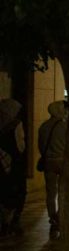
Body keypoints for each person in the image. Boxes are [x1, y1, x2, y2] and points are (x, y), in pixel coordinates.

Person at [37, 100, 68, 234]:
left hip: (48, 161)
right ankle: (60, 215)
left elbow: (41, 146)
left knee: (50, 192)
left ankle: (52, 216)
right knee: (62, 190)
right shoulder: (64, 126)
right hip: (62, 162)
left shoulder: (43, 126)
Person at [0, 98, 28, 237]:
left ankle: (4, 222)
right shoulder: (16, 125)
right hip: (15, 163)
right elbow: (21, 145)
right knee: (18, 191)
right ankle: (14, 221)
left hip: (2, 164)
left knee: (4, 192)